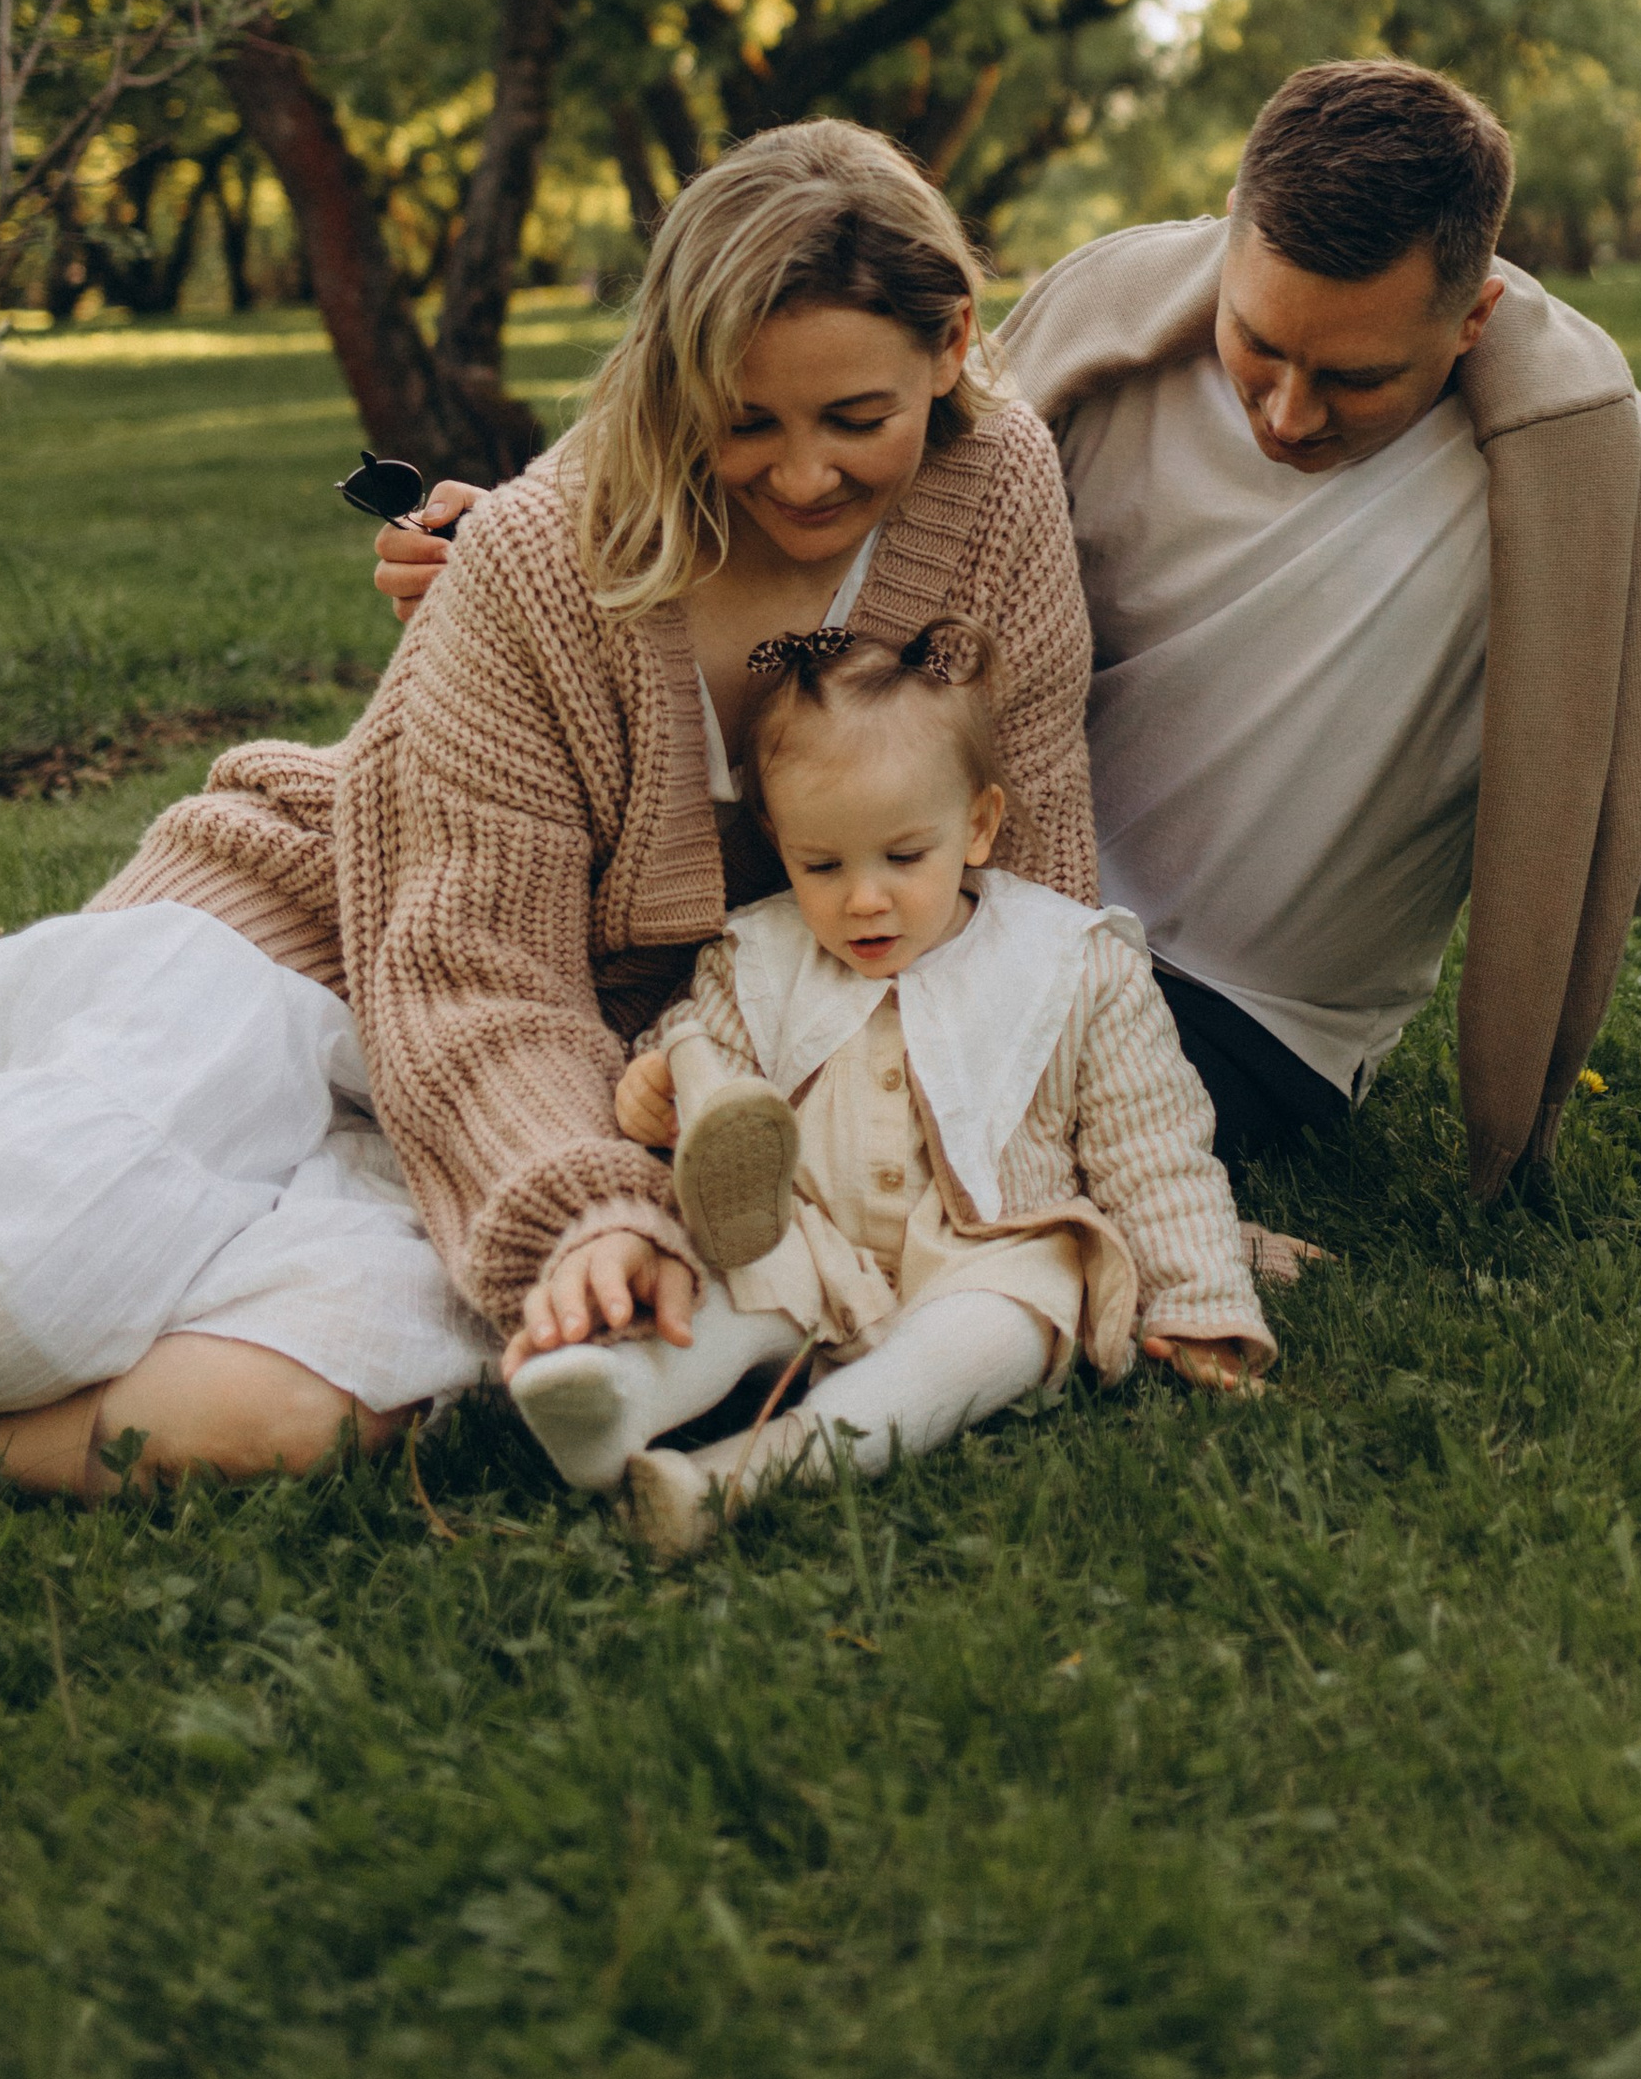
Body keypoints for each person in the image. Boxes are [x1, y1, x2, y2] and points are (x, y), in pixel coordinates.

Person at [384, 64, 1641, 1253]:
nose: (1285, 410)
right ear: (1224, 249)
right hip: (943, 896)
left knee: (803, 1126)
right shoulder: (1097, 357)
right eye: (1257, 345)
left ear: (1476, 311)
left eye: (1354, 379)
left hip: (1234, 1015)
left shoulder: (1599, 508)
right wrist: (542, 547)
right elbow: (821, 539)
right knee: (540, 1000)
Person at [0, 124, 1096, 1491]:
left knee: (277, 1419)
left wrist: (1083, 1185)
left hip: (572, 1069)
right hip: (304, 948)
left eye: (856, 419)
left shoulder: (998, 489)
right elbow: (473, 972)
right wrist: (585, 1212)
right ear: (678, 384)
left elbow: (1022, 870)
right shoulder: (536, 556)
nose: (803, 475)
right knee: (4, 1288)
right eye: (746, 423)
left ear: (952, 340)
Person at [512, 615, 1268, 1555]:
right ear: (778, 842)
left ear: (978, 825)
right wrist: (656, 1087)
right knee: (727, 1275)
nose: (863, 899)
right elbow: (699, 1055)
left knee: (1008, 1327)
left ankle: (753, 1469)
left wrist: (1202, 1299)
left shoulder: (1070, 963)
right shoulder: (760, 950)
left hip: (984, 1245)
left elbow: (1151, 1151)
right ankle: (619, 1403)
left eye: (903, 858)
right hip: (811, 1236)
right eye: (821, 865)